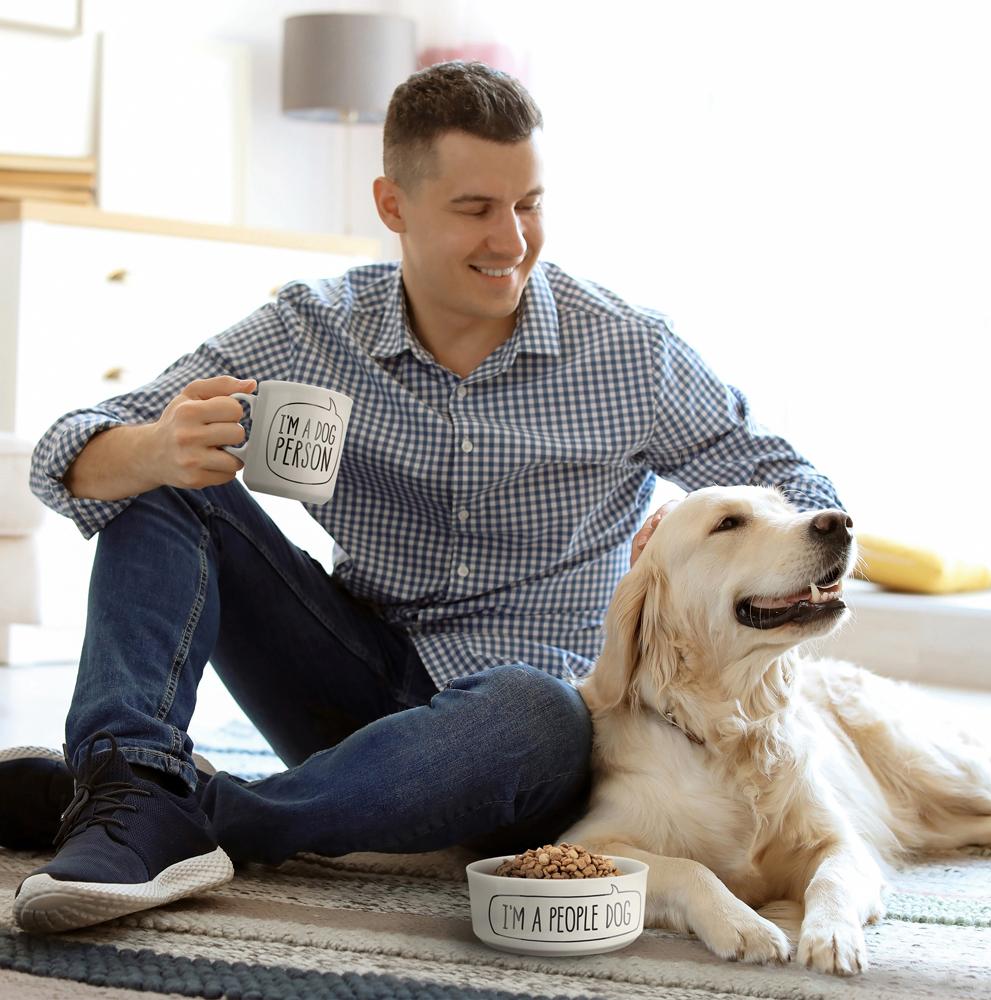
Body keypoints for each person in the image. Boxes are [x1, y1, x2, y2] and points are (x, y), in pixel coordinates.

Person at [0, 61, 844, 933]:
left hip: (525, 735)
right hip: (348, 685)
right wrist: (154, 446)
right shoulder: (310, 330)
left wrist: (685, 519)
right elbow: (72, 448)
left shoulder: (630, 354)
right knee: (161, 481)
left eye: (530, 204)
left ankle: (172, 813)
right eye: (476, 209)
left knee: (531, 711)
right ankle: (133, 775)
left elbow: (802, 487)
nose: (512, 240)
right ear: (394, 206)